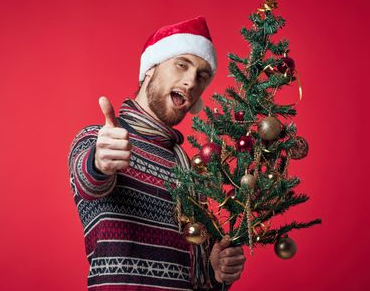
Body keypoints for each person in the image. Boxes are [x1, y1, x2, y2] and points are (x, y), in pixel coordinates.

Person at [69, 17, 246, 290]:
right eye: (181, 65)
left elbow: (198, 272)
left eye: (201, 76)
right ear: (150, 69)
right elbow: (90, 180)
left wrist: (215, 270)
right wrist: (99, 162)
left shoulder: (188, 168)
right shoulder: (100, 140)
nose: (190, 82)